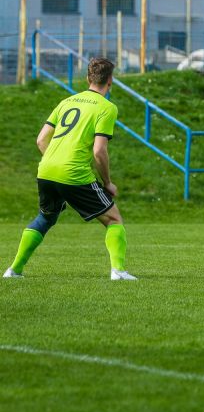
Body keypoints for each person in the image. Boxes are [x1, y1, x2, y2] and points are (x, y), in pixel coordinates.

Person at [4, 58, 137, 281]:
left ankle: (13, 270)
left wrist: (55, 161)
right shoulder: (107, 108)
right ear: (110, 81)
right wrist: (107, 182)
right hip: (74, 173)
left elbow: (40, 140)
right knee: (113, 219)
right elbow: (99, 152)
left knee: (45, 218)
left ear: (88, 79)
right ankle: (118, 272)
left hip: (45, 170)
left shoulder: (66, 102)